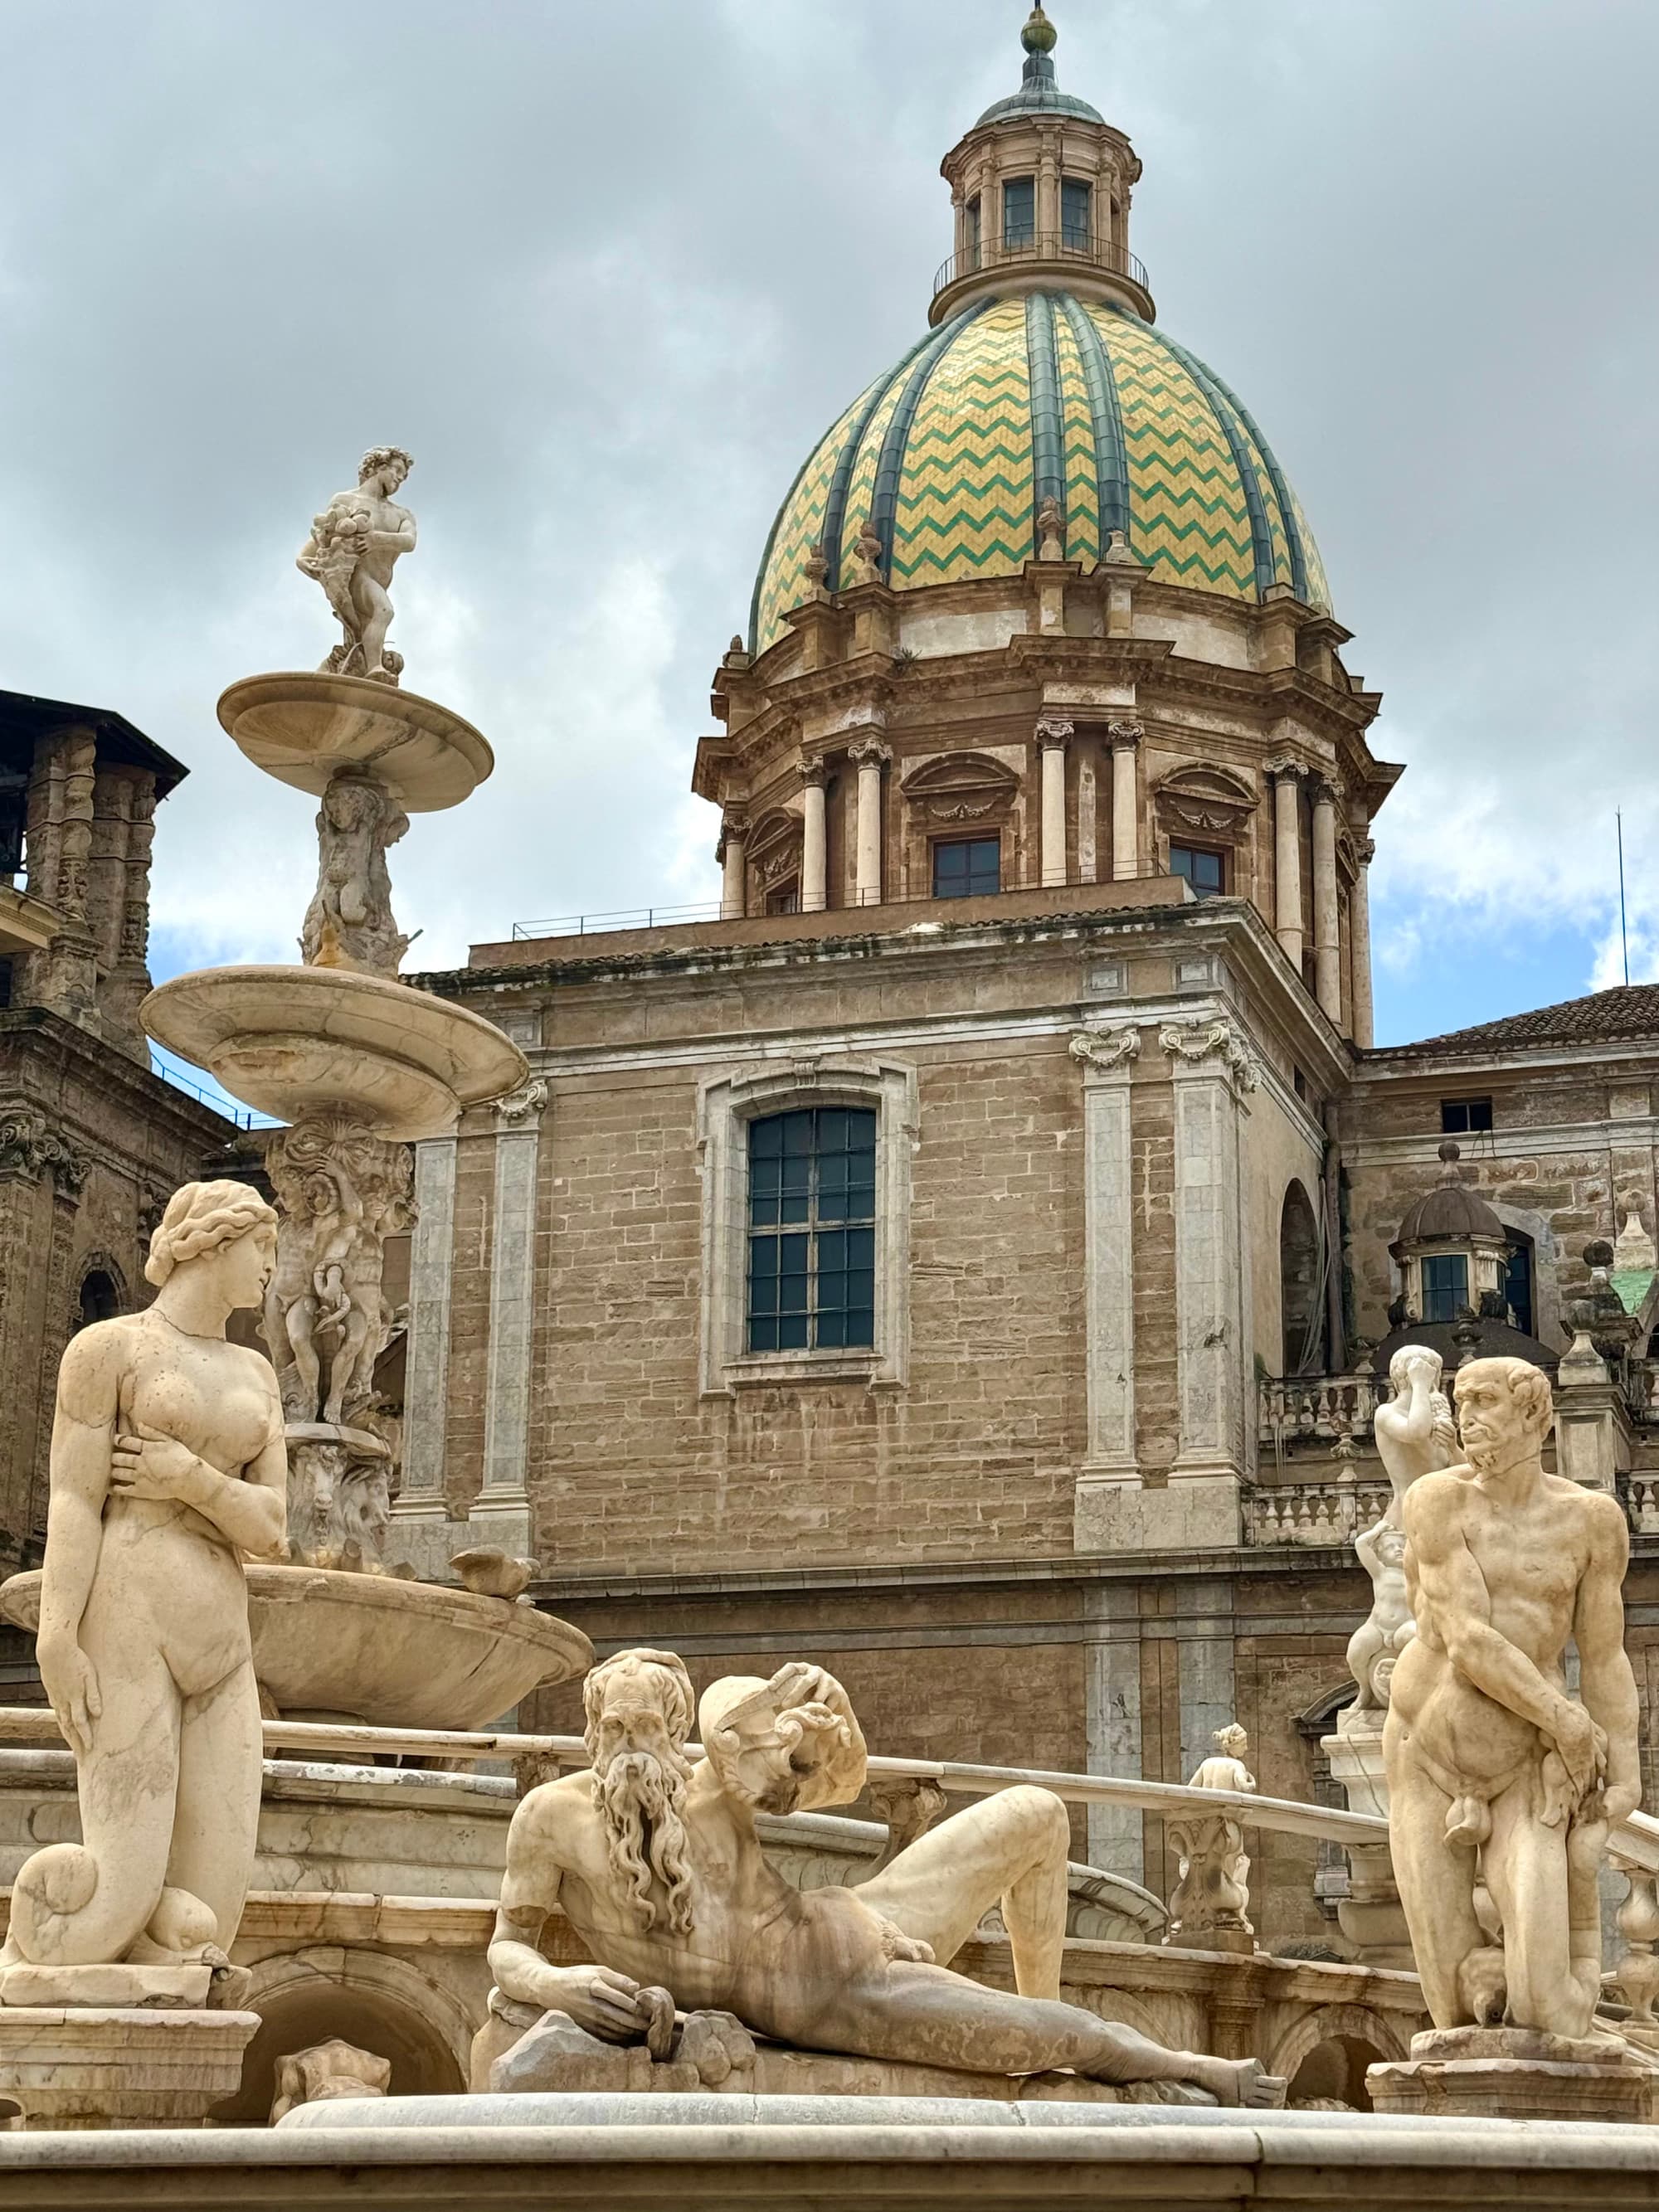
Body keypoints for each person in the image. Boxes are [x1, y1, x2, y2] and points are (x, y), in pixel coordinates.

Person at [484, 1648, 1279, 2104]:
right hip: (829, 1993)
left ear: (676, 1728)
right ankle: (1201, 2072)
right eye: (614, 1726)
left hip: (842, 1936)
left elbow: (829, 1776)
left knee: (1039, 1813)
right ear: (590, 1728)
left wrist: (817, 1726)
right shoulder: (550, 1819)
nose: (629, 1743)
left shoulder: (715, 1775)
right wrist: (560, 1984)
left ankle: (1079, 2028)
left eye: (648, 1725)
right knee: (1055, 2040)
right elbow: (505, 1949)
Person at [0, 1182, 288, 1985]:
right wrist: (56, 1635)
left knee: (212, 1924)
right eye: (259, 1248)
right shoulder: (108, 1351)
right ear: (212, 1243)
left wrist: (187, 1476)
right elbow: (73, 1498)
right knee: (114, 1902)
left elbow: (271, 1529)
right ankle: (33, 1985)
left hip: (222, 1646)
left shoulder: (258, 1375)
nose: (269, 1266)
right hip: (128, 1626)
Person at [1385, 1355, 1640, 2036]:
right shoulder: (1437, 1500)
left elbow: (1606, 1654)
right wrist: (1569, 1722)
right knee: (1452, 2009)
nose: (1467, 1418)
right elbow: (1467, 1639)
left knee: (1544, 2005)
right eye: (1462, 1403)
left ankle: (1582, 1984)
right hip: (1426, 1755)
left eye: (1486, 1402)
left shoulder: (1592, 1521)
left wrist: (1628, 1774)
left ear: (1534, 1414)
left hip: (1526, 1764)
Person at [296, 447, 416, 683]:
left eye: (404, 476)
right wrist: (301, 558)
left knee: (360, 638)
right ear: (379, 466)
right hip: (356, 576)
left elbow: (409, 542)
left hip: (380, 581)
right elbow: (323, 535)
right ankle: (375, 669)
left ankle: (337, 674)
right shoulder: (346, 500)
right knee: (384, 611)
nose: (400, 478)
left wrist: (375, 539)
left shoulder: (402, 514)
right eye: (397, 470)